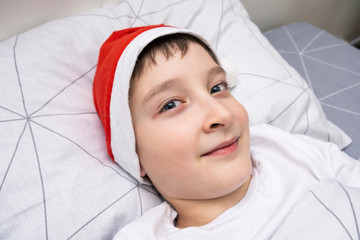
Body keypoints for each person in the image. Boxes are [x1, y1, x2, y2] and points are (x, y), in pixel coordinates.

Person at [93, 25, 360, 239]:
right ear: (133, 153)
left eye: (217, 88)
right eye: (171, 104)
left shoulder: (280, 146)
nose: (222, 115)